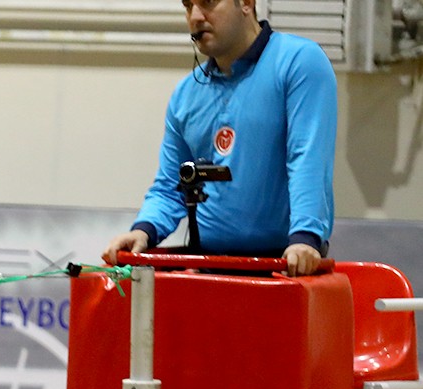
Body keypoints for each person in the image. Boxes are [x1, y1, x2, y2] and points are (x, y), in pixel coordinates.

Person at [102, 0, 336, 277]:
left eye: (208, 2)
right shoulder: (186, 94)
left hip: (285, 266)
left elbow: (307, 158)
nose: (195, 16)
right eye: (188, 5)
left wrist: (305, 237)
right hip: (208, 268)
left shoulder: (299, 62)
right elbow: (171, 185)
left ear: (246, 3)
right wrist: (144, 230)